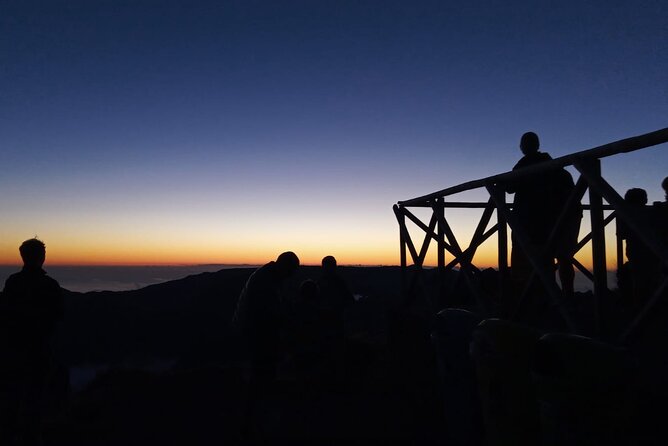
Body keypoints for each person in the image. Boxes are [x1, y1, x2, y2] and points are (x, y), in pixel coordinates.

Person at [0, 238, 64, 445]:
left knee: (13, 398)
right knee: (34, 399)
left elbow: (6, 314)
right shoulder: (49, 285)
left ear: (23, 256)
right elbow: (57, 316)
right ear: (42, 257)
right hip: (38, 351)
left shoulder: (12, 282)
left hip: (13, 350)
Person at [504, 132, 581, 299]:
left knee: (527, 258)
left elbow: (509, 186)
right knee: (561, 258)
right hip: (560, 220)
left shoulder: (526, 164)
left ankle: (531, 300)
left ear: (524, 147)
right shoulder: (557, 167)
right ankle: (566, 298)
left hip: (532, 222)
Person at [232, 251, 300, 388]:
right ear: (284, 266)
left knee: (261, 368)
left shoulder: (269, 275)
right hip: (254, 332)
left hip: (252, 329)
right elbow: (270, 312)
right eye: (291, 271)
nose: (291, 276)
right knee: (262, 368)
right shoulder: (266, 281)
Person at [316, 256, 354, 381]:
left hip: (330, 323)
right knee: (333, 353)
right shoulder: (337, 282)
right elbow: (350, 300)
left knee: (330, 352)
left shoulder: (321, 283)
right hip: (333, 323)